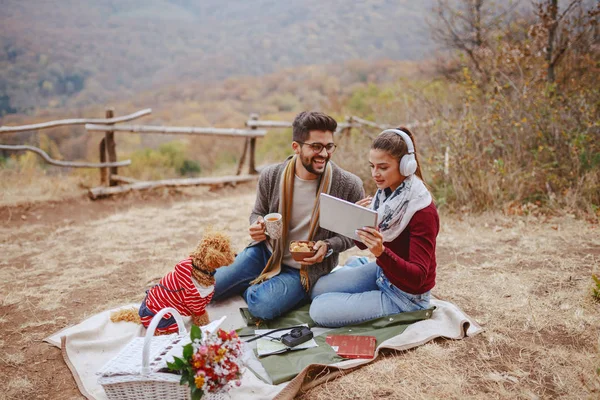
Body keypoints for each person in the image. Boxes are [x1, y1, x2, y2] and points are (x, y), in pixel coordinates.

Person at [212, 111, 364, 320]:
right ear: (296, 147)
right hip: (266, 252)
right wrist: (256, 225)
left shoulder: (348, 185)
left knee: (262, 307)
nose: (324, 154)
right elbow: (258, 212)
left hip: (304, 270)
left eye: (329, 146)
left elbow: (354, 234)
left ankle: (258, 284)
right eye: (316, 147)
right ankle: (252, 275)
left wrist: (329, 246)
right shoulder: (271, 175)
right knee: (212, 286)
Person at [309, 127, 439, 328]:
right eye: (372, 166)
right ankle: (359, 267)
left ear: (406, 166)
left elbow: (418, 278)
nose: (375, 174)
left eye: (383, 167)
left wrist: (381, 252)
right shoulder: (385, 197)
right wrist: (355, 220)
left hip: (405, 297)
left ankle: (359, 270)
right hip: (384, 273)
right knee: (317, 290)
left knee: (318, 309)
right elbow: (362, 245)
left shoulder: (422, 210)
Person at [138, 230, 235, 334]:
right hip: (158, 316)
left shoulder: (196, 271)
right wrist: (204, 324)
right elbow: (197, 309)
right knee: (178, 332)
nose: (232, 254)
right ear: (215, 257)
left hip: (155, 305)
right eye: (226, 251)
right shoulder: (194, 282)